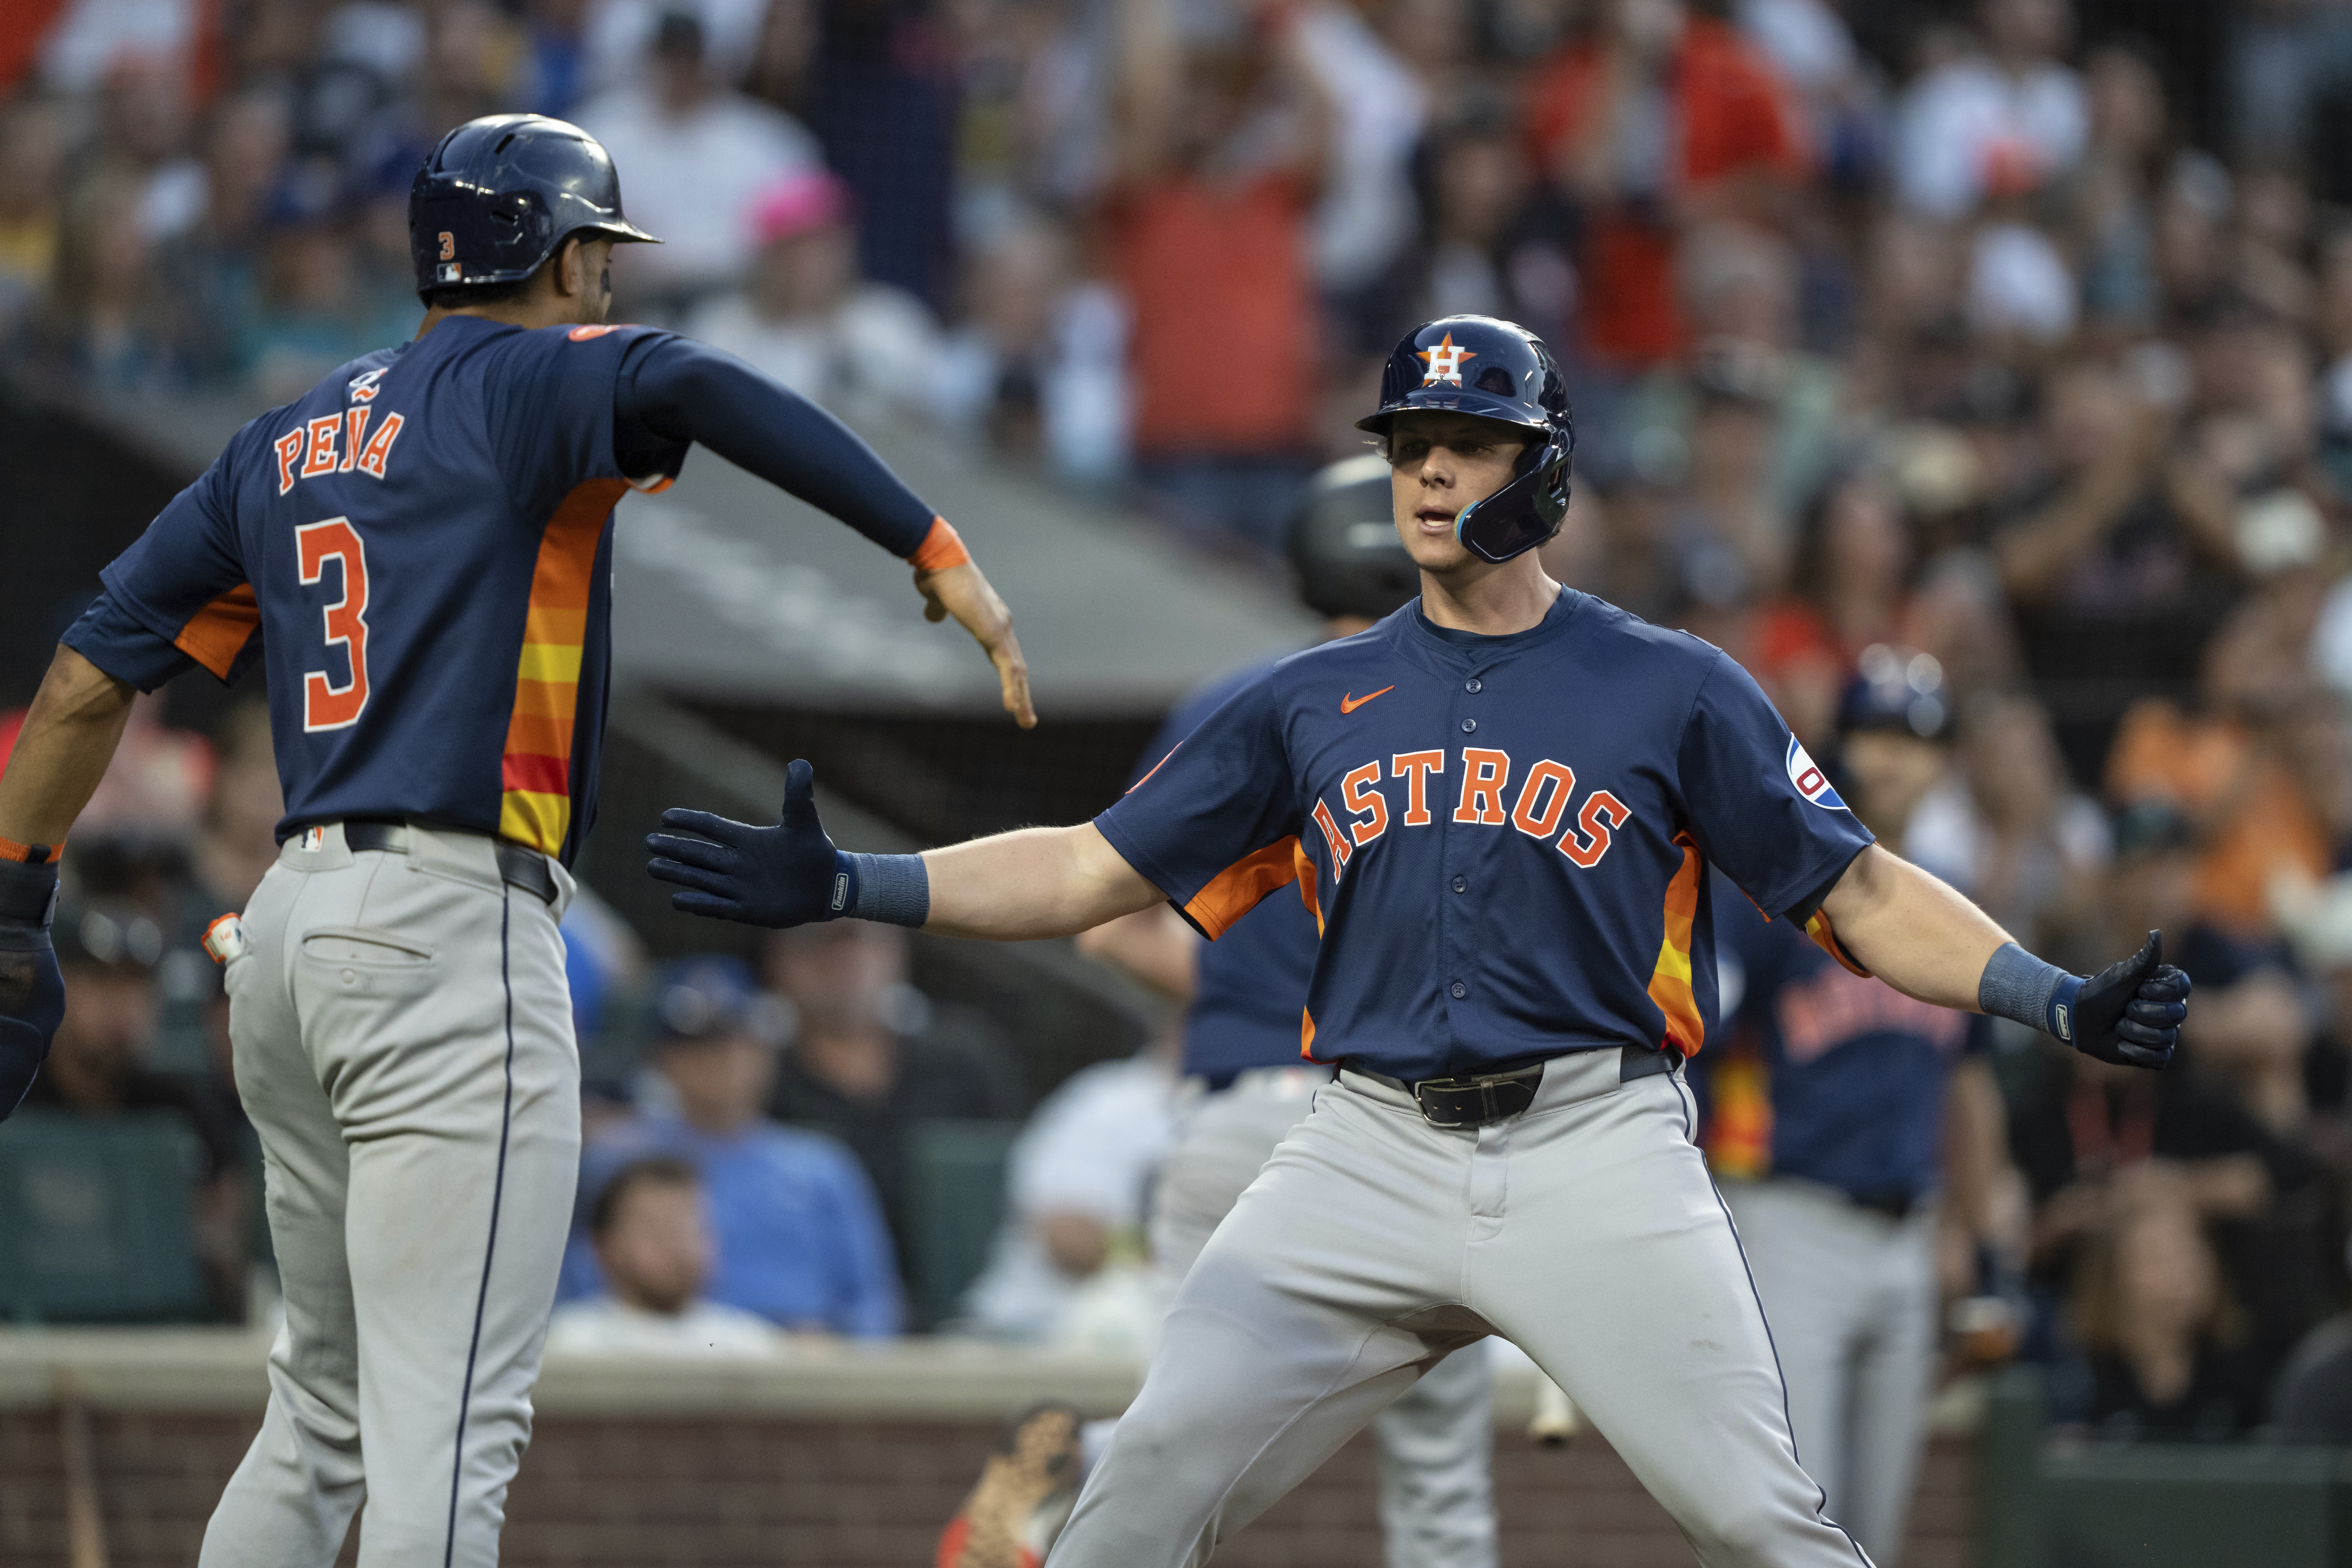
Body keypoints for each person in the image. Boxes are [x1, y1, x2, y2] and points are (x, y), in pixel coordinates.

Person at [646, 314, 2190, 1567]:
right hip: (1359, 1150)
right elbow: (1085, 869)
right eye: (1409, 445)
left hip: (1598, 1148)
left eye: (1467, 446)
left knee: (1759, 1520)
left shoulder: (1675, 685)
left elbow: (1857, 894)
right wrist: (860, 882)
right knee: (1134, 1505)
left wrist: (2049, 995)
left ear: (1548, 472)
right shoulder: (1305, 698)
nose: (1428, 472)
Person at [0, 112, 1031, 1568]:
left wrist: (12, 898)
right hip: (446, 924)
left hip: (288, 931)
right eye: (595, 252)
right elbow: (702, 382)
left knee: (322, 1408)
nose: (606, 282)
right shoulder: (530, 384)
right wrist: (929, 543)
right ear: (550, 253)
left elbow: (82, 678)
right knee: (448, 1423)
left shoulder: (286, 434)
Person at [1029, 455, 1499, 1568]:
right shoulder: (1482, 712)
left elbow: (1108, 925)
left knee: (1175, 1461)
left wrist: (1273, 998)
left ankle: (1075, 1472)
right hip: (1427, 1125)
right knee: (1439, 1482)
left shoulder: (1240, 699)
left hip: (1245, 1114)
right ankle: (1086, 1471)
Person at [1700, 663, 2026, 1566]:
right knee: (1790, 1517)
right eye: (1879, 735)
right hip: (1787, 1216)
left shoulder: (1952, 897)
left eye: (1918, 742)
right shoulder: (1773, 884)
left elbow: (1969, 1081)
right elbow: (1693, 1052)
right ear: (1837, 747)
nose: (1895, 761)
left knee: (1874, 1526)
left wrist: (1977, 1233)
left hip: (1908, 1234)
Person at [570, 955, 903, 1337]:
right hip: (657, 1358)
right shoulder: (618, 1160)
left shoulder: (820, 1167)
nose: (726, 1059)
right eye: (702, 1045)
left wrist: (841, 1354)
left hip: (802, 1370)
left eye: (741, 1040)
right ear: (663, 1058)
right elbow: (578, 1283)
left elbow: (874, 1302)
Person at [20, 898, 252, 1315]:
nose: (123, 1006)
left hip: (157, 1342)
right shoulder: (14, 1095)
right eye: (102, 983)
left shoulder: (182, 1108)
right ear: (57, 985)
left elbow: (229, 1247)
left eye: (137, 985)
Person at [763, 918, 1027, 1272]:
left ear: (897, 951)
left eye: (862, 943)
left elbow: (1030, 1180)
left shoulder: (963, 1057)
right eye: (820, 945)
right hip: (812, 1309)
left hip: (967, 1298)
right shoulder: (755, 1076)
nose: (846, 963)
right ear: (779, 964)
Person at [544, 1155, 782, 1356]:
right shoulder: (571, 1343)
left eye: (691, 1229)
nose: (679, 1248)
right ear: (604, 1245)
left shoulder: (751, 1344)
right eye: (656, 1231)